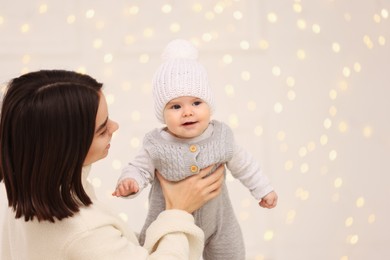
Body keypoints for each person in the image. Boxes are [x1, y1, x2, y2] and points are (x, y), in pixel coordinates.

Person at [0, 69, 225, 260]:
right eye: (102, 129)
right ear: (65, 148)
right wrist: (178, 211)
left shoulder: (20, 192)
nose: (114, 127)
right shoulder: (84, 231)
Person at [112, 39, 278, 260]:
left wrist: (263, 189)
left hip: (219, 222)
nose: (187, 112)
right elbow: (138, 169)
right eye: (176, 106)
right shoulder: (156, 144)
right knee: (159, 250)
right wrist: (130, 182)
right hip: (169, 222)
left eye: (196, 103)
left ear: (209, 104)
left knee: (231, 253)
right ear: (162, 112)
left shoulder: (221, 137)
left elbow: (245, 165)